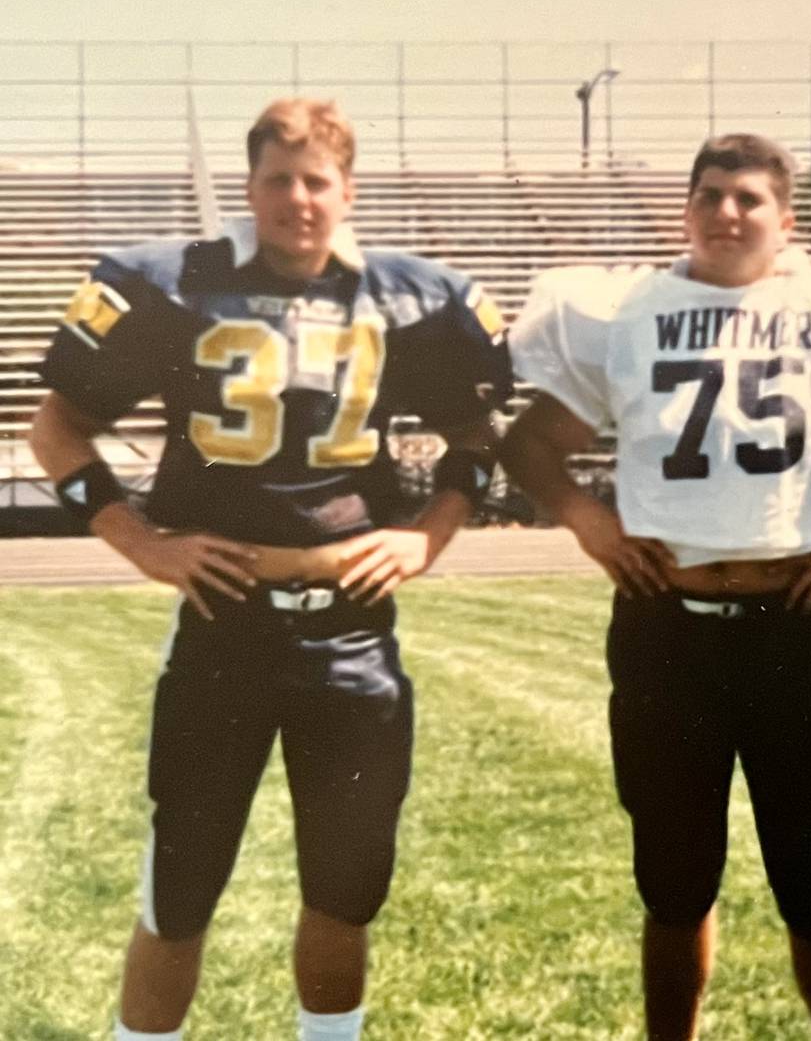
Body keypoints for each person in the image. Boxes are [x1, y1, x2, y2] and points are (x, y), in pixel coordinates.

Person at [28, 97, 510, 1041]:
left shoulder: (414, 298)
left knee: (344, 886)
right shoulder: (173, 285)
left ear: (348, 190)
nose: (297, 198)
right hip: (226, 625)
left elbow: (475, 440)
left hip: (352, 632)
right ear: (248, 189)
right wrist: (141, 541)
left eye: (316, 180)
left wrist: (427, 536)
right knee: (182, 883)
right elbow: (56, 429)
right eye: (277, 180)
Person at [499, 133, 811, 1039]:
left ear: (786, 219)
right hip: (665, 626)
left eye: (749, 198)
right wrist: (587, 518)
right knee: (675, 881)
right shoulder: (626, 311)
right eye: (710, 194)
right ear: (685, 210)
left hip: (791, 624)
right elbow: (528, 442)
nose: (727, 212)